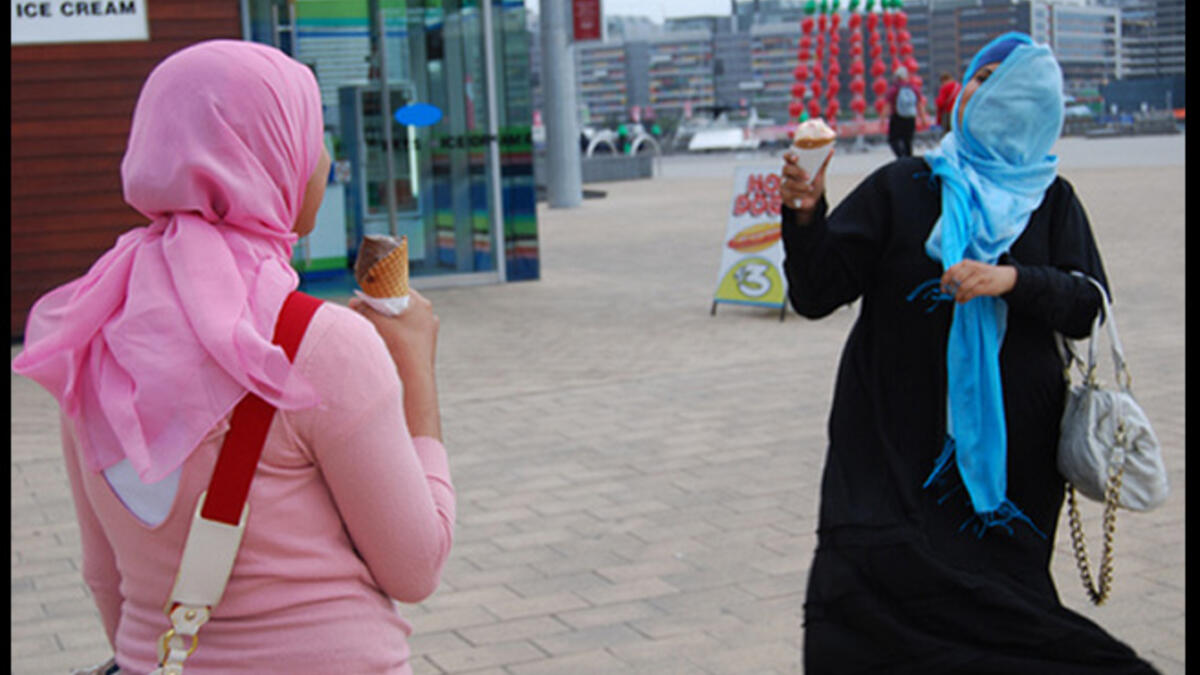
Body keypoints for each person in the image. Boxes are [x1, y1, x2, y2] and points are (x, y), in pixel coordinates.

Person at [12, 40, 455, 674]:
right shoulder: (322, 342)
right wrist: (415, 372)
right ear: (267, 156)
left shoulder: (93, 332)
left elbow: (104, 574)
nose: (323, 159)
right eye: (310, 134)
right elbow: (417, 565)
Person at [778, 32, 1160, 674]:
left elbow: (1086, 303)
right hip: (892, 457)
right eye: (977, 80)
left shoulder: (1053, 200)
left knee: (1003, 617)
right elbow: (816, 292)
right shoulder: (905, 188)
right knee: (873, 614)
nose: (979, 91)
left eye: (996, 81)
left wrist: (1009, 280)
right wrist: (805, 213)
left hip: (1012, 473)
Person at [884, 66, 919, 157]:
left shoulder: (894, 89)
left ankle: (900, 156)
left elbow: (887, 105)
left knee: (893, 139)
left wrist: (882, 118)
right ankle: (908, 159)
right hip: (911, 117)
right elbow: (919, 104)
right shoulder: (913, 88)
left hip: (897, 117)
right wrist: (923, 119)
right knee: (908, 140)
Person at [935, 70, 962, 135]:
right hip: (958, 113)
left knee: (947, 135)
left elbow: (940, 103)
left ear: (943, 80)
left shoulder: (945, 87)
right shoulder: (959, 86)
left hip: (948, 114)